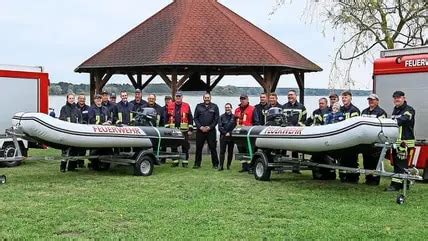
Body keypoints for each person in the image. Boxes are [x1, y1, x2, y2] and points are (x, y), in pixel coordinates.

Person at [385, 91, 416, 191]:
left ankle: (396, 185)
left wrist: (390, 122)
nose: (396, 99)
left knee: (401, 165)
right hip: (396, 143)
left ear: (404, 98)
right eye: (395, 98)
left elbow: (404, 119)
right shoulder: (396, 110)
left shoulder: (409, 109)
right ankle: (403, 184)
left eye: (398, 98)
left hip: (405, 143)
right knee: (397, 164)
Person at [361, 93, 388, 185]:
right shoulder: (364, 111)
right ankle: (368, 178)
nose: (370, 101)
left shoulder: (381, 112)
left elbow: (382, 127)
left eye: (372, 100)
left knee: (375, 162)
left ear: (377, 101)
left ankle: (375, 180)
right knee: (366, 161)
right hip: (366, 142)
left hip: (376, 142)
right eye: (369, 100)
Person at [165, 91, 193, 167]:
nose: (178, 98)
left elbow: (190, 118)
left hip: (184, 130)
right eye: (177, 96)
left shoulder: (186, 105)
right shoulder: (170, 105)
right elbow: (166, 117)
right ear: (175, 97)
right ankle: (175, 161)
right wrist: (167, 128)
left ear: (182, 97)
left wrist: (190, 129)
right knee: (173, 146)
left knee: (185, 146)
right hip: (173, 130)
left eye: (179, 96)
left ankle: (185, 162)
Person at [338, 91, 361, 183]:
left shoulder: (354, 110)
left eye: (346, 97)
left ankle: (353, 178)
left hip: (351, 139)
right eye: (343, 98)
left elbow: (354, 125)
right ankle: (343, 176)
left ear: (350, 98)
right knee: (342, 159)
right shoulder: (340, 109)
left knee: (352, 159)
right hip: (341, 139)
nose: (344, 99)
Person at [283, 89, 307, 174]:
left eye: (291, 95)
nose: (290, 96)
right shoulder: (284, 107)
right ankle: (281, 167)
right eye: (289, 95)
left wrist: (297, 126)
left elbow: (304, 120)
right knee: (283, 149)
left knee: (295, 150)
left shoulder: (301, 107)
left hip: (297, 131)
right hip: (286, 131)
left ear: (295, 96)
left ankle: (295, 168)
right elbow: (282, 119)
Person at [193, 93, 220, 169]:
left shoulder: (215, 106)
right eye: (205, 97)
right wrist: (200, 127)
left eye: (208, 97)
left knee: (213, 147)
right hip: (200, 131)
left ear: (210, 98)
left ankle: (215, 164)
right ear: (203, 98)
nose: (207, 99)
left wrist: (210, 127)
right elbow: (195, 118)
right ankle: (197, 164)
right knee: (199, 147)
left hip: (211, 131)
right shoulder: (198, 106)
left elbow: (216, 119)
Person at [59, 93, 82, 172]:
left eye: (73, 98)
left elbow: (80, 120)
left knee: (74, 151)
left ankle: (72, 167)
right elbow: (62, 118)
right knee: (65, 151)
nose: (71, 100)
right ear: (67, 99)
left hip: (75, 133)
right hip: (66, 132)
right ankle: (63, 167)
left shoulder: (77, 110)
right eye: (70, 98)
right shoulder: (64, 108)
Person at [234, 94, 255, 172]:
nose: (243, 100)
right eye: (241, 99)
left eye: (244, 99)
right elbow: (234, 121)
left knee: (249, 150)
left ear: (247, 99)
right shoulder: (237, 110)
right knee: (241, 150)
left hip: (248, 133)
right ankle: (244, 166)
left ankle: (250, 167)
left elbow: (256, 122)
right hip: (239, 134)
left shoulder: (253, 109)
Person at [218, 103, 236, 171]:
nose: (227, 108)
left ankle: (228, 165)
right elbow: (220, 127)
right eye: (226, 107)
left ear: (231, 108)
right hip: (223, 137)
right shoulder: (221, 116)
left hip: (231, 137)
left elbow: (235, 127)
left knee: (230, 152)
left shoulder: (234, 117)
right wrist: (225, 133)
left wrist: (230, 133)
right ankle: (221, 166)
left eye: (228, 107)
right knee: (222, 152)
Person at [159, 96, 173, 164]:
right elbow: (160, 119)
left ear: (171, 101)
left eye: (169, 100)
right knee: (163, 146)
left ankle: (174, 160)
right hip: (163, 129)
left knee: (173, 145)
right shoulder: (162, 109)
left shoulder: (174, 108)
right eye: (166, 100)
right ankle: (162, 160)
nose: (167, 101)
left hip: (172, 129)